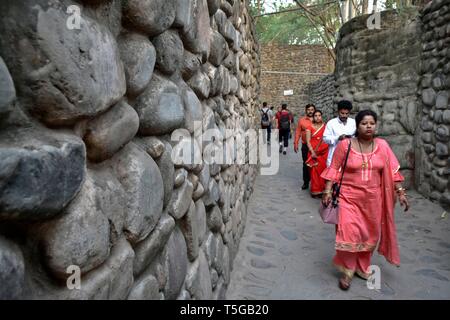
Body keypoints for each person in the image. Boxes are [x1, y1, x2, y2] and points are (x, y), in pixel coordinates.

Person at [321, 109, 410, 291]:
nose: (368, 126)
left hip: (373, 200)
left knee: (369, 235)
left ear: (376, 125)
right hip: (348, 197)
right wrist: (327, 190)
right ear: (357, 125)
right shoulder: (345, 145)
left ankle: (362, 267)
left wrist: (400, 192)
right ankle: (347, 270)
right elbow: (334, 168)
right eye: (364, 123)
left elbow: (393, 171)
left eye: (372, 123)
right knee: (349, 232)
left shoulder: (383, 146)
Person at [323, 100, 356, 167]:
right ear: (338, 111)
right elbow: (325, 138)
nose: (344, 115)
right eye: (342, 113)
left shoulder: (354, 122)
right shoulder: (331, 123)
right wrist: (338, 138)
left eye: (347, 114)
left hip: (350, 156)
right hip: (334, 155)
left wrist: (351, 138)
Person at [305, 110, 329, 198]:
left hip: (324, 152)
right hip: (313, 152)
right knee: (314, 172)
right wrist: (313, 152)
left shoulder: (326, 127)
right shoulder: (309, 127)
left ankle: (323, 189)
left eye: (319, 115)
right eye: (316, 115)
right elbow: (308, 141)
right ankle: (315, 190)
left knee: (323, 171)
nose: (317, 117)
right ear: (313, 117)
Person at [294, 104, 316, 189]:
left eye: (312, 109)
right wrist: (295, 143)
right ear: (306, 110)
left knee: (316, 164)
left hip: (316, 146)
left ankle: (315, 182)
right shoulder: (302, 121)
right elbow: (298, 132)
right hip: (305, 146)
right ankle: (306, 182)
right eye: (309, 110)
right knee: (306, 163)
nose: (310, 111)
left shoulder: (317, 119)